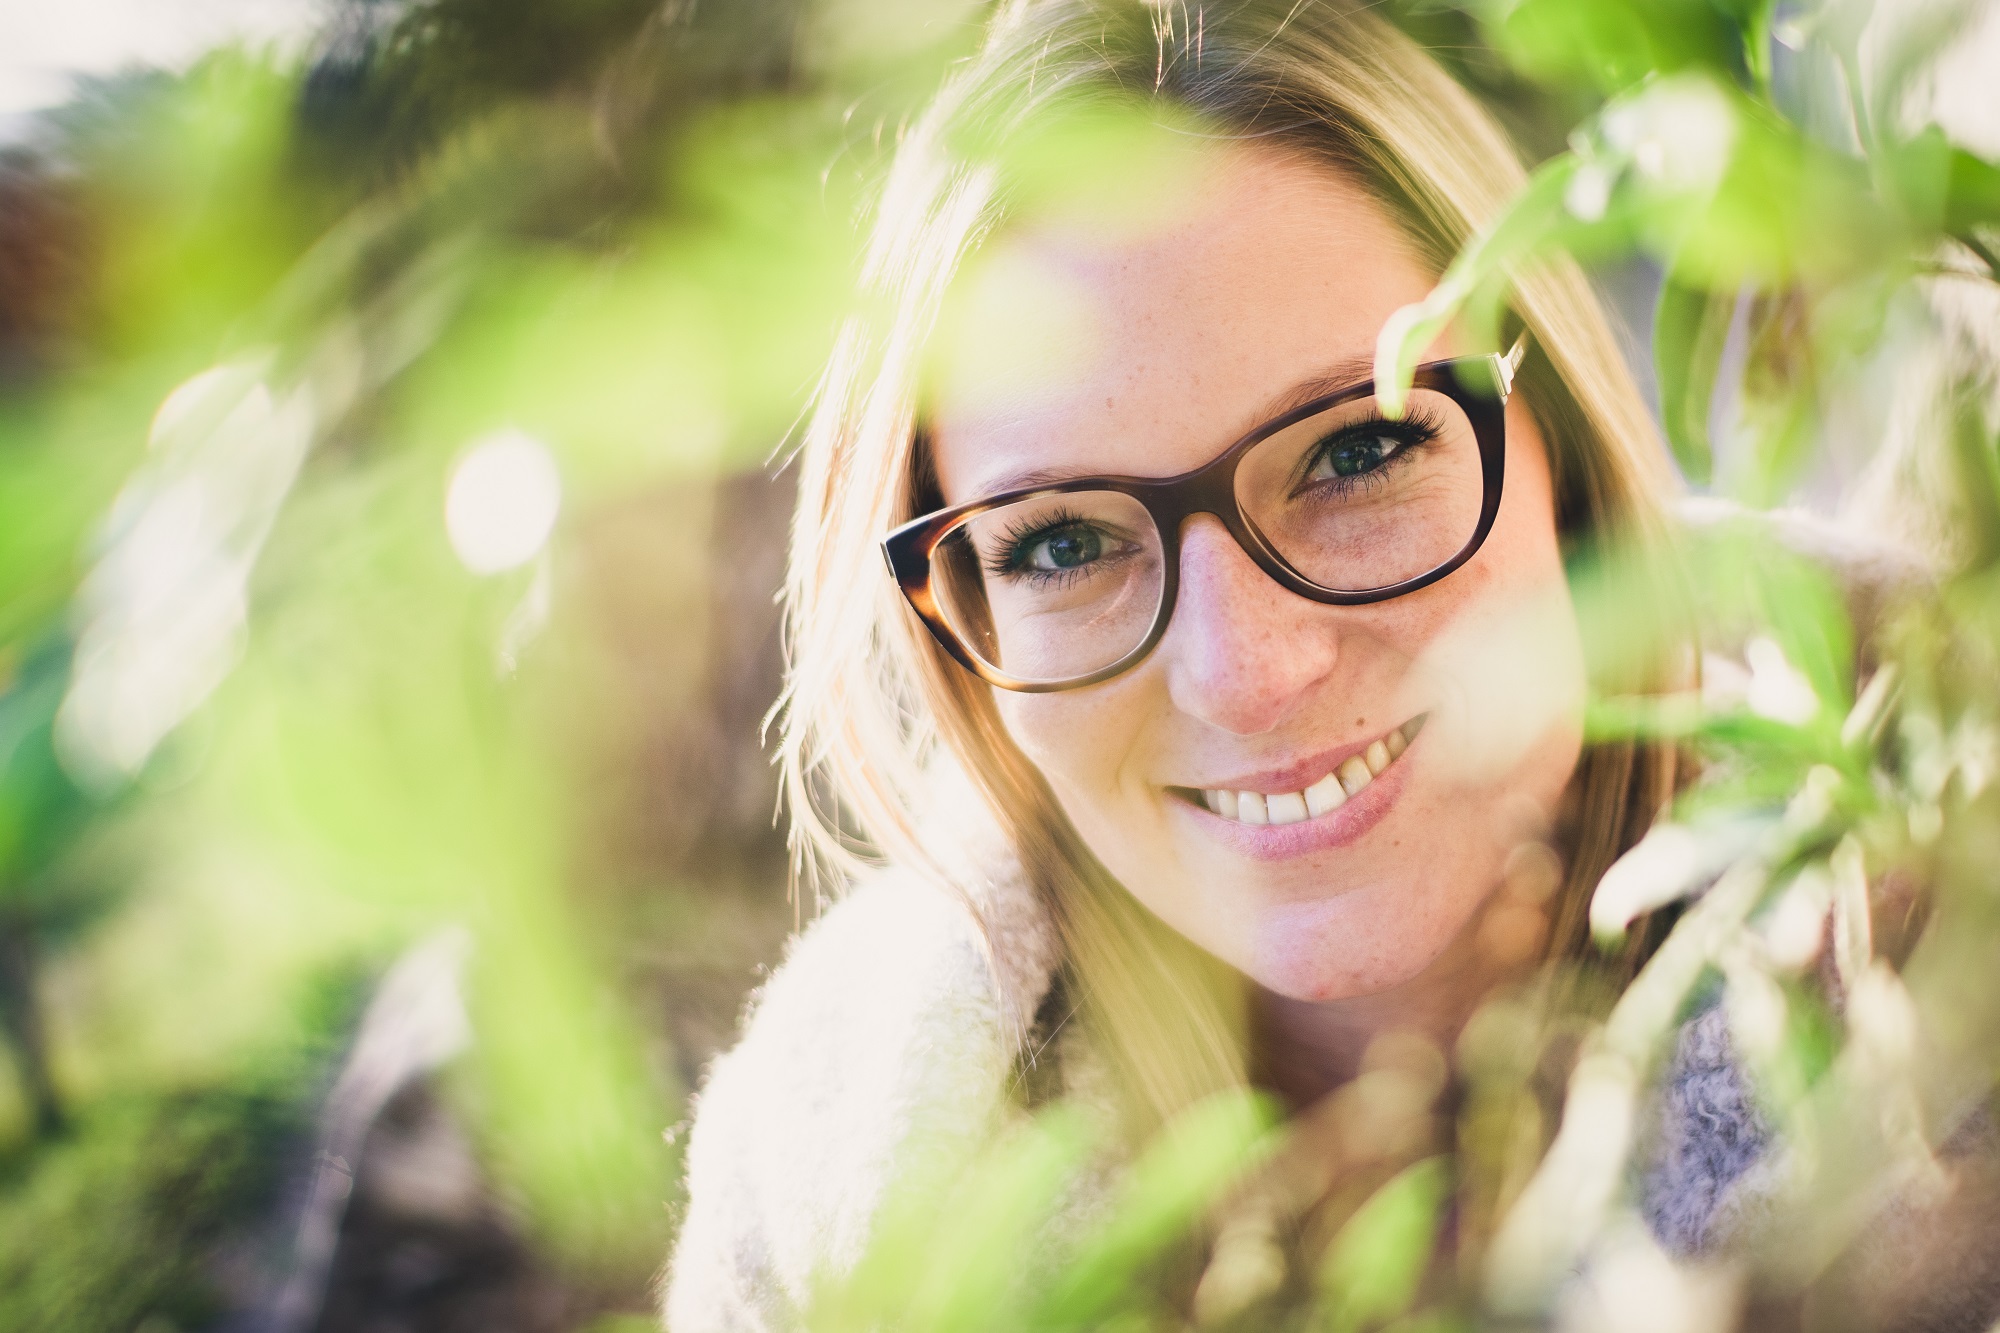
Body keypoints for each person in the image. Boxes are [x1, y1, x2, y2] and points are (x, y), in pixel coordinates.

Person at [664, 1, 1734, 1325]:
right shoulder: (821, 1206)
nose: (1247, 672)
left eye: (1357, 451)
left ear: (1556, 443)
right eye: (1065, 543)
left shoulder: (1939, 947)